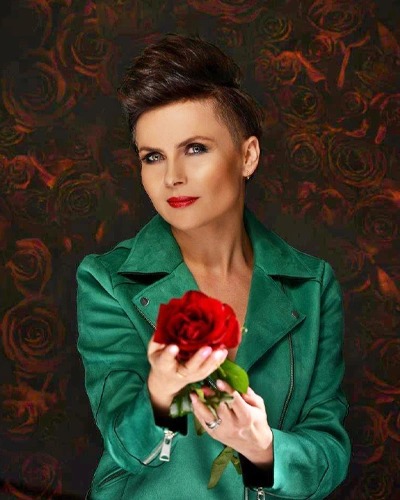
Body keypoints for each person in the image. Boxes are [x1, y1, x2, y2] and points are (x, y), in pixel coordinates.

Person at [76, 33, 351, 500]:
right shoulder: (109, 281)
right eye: (153, 157)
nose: (172, 177)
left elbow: (330, 452)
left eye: (195, 148)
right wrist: (161, 393)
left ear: (248, 156)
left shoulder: (312, 285)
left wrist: (264, 447)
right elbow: (123, 447)